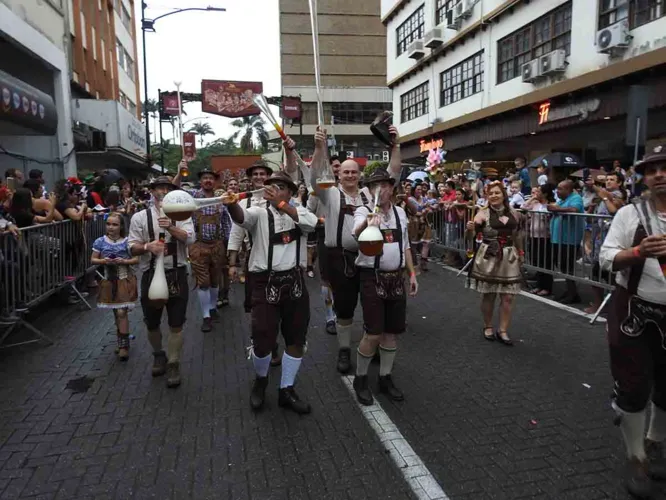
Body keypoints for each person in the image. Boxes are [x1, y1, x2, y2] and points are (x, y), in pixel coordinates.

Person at [599, 144, 666, 499]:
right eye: (652, 169)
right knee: (634, 384)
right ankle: (636, 457)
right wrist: (639, 252)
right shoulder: (629, 214)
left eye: (664, 167)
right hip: (633, 312)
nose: (659, 174)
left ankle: (655, 442)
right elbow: (606, 258)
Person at [310, 126, 403, 374]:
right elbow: (315, 176)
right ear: (339, 174)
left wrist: (396, 146)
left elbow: (393, 173)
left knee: (372, 305)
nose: (350, 175)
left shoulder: (367, 194)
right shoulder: (330, 195)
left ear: (360, 174)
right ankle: (344, 349)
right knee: (344, 307)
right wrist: (320, 148)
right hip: (339, 258)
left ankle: (368, 347)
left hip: (368, 260)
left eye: (354, 172)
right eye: (346, 171)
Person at [223, 171, 317, 414]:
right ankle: (261, 380)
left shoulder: (300, 212)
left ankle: (286, 389)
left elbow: (310, 224)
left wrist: (283, 205)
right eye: (270, 186)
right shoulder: (258, 212)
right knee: (263, 339)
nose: (273, 190)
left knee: (296, 339)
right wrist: (232, 204)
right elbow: (242, 219)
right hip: (265, 283)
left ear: (289, 191)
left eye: (280, 186)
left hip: (294, 283)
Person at [351, 169, 418, 405]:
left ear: (392, 188)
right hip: (372, 277)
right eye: (376, 185)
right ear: (369, 190)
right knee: (373, 332)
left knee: (392, 332)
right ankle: (360, 379)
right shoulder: (363, 210)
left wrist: (411, 273)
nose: (382, 190)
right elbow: (355, 232)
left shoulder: (400, 213)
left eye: (386, 185)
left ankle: (385, 377)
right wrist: (367, 224)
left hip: (396, 277)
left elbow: (406, 246)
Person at [127, 176, 195, 388]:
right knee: (152, 322)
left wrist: (171, 228)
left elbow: (190, 238)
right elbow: (131, 246)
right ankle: (159, 354)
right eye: (159, 188)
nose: (163, 191)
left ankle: (174, 363)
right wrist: (148, 247)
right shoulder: (139, 217)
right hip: (150, 274)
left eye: (167, 188)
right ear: (152, 191)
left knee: (176, 323)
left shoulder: (182, 214)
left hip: (176, 273)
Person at [227, 158, 283, 366]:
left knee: (277, 303)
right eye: (255, 174)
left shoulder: (279, 198)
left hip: (279, 257)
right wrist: (232, 263)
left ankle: (274, 342)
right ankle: (262, 340)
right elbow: (236, 234)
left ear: (269, 177)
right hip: (254, 258)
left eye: (263, 174)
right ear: (250, 179)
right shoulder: (243, 202)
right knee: (256, 305)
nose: (259, 177)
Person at [465, 181, 524, 345]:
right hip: (489, 255)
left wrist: (521, 252)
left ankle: (503, 329)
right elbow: (470, 237)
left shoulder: (513, 212)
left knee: (508, 296)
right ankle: (488, 325)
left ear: (503, 194)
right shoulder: (481, 213)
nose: (494, 196)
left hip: (509, 256)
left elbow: (517, 234)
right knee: (489, 293)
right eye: (490, 194)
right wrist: (470, 229)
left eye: (497, 193)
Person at [175, 165, 232, 332]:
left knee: (215, 281)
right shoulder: (192, 196)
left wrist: (229, 246)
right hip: (198, 245)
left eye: (211, 178)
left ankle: (213, 308)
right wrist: (179, 172)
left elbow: (226, 222)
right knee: (203, 282)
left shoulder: (221, 199)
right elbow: (174, 190)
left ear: (215, 181)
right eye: (205, 178)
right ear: (200, 181)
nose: (208, 180)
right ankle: (206, 316)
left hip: (217, 245)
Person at [90, 212, 139, 361]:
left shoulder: (127, 242)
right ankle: (121, 338)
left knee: (121, 312)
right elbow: (93, 259)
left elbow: (136, 259)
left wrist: (123, 261)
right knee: (115, 312)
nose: (111, 227)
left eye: (115, 224)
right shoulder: (100, 241)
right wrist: (105, 261)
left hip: (124, 279)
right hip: (108, 281)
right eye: (108, 224)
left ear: (121, 226)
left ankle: (124, 346)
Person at [547, 180, 585, 304]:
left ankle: (573, 294)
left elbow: (574, 210)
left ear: (569, 189)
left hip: (569, 239)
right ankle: (570, 291)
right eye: (557, 188)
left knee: (567, 266)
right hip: (558, 238)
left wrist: (557, 209)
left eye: (560, 189)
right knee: (562, 266)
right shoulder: (561, 200)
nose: (557, 191)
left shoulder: (576, 198)